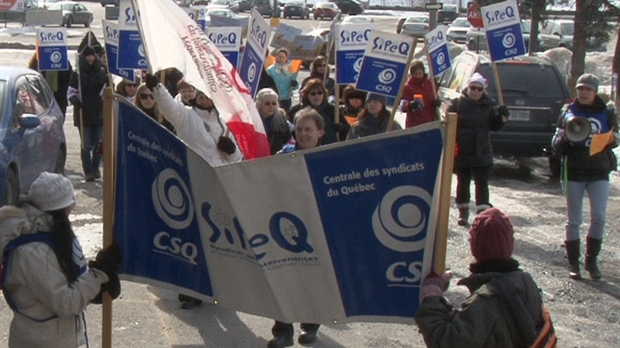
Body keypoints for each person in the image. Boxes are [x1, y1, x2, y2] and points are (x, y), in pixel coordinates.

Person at [0, 172, 122, 348]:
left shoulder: (50, 234)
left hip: (60, 338)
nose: (72, 208)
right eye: (69, 205)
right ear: (60, 208)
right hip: (40, 342)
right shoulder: (30, 253)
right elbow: (65, 302)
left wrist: (93, 291)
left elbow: (60, 284)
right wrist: (98, 274)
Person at [415, 208, 555, 348]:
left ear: (474, 247)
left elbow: (444, 341)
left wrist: (432, 297)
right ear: (510, 246)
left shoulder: (486, 301)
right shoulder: (527, 283)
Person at [552, 73, 619, 280]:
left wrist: (610, 140)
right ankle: (574, 263)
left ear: (595, 91)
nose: (583, 93)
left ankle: (592, 262)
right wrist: (564, 138)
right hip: (573, 171)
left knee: (598, 217)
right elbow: (555, 143)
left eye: (587, 89)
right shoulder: (568, 111)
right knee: (574, 220)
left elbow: (617, 137)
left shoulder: (606, 112)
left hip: (598, 170)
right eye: (580, 89)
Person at [269, 108, 325, 348]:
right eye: (300, 129)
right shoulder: (284, 155)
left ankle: (310, 325)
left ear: (320, 132)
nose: (303, 134)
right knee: (283, 279)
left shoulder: (329, 158)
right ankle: (282, 331)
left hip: (316, 229)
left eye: (308, 129)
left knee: (313, 280)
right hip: (286, 227)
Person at [447, 72, 508, 226]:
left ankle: (483, 216)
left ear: (483, 91)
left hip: (482, 150)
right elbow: (448, 123)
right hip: (462, 151)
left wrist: (502, 116)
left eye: (478, 89)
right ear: (467, 88)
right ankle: (463, 212)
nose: (475, 91)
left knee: (482, 183)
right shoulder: (457, 104)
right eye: (472, 87)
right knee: (463, 182)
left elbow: (495, 126)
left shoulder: (488, 106)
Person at [146, 73, 243, 166]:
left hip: (221, 176)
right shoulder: (186, 116)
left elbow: (236, 160)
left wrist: (232, 150)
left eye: (208, 98)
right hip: (195, 175)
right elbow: (170, 107)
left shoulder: (224, 121)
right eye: (201, 97)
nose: (205, 101)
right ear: (195, 98)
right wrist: (158, 89)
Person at [67, 45, 109, 182]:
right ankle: (88, 171)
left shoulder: (101, 72)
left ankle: (95, 166)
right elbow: (71, 92)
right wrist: (75, 100)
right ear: (83, 57)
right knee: (86, 144)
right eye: (87, 56)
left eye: (92, 55)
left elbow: (106, 89)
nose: (90, 58)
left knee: (99, 143)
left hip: (99, 113)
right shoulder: (77, 75)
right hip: (83, 114)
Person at [288, 78, 347, 145]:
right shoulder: (296, 110)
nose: (317, 96)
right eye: (313, 93)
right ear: (306, 94)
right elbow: (288, 132)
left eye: (320, 93)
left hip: (329, 148)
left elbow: (348, 130)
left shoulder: (332, 110)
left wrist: (341, 128)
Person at [27, 53, 74, 118]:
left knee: (59, 122)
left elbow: (70, 79)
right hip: (42, 99)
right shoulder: (39, 60)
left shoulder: (63, 62)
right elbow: (31, 78)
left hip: (60, 99)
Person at [400, 60, 440, 128]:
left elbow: (435, 97)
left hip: (430, 122)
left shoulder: (430, 84)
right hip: (414, 123)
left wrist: (437, 102)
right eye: (415, 74)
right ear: (412, 74)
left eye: (420, 73)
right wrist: (410, 105)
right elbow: (402, 106)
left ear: (423, 72)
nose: (418, 76)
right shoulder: (408, 87)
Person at [255, 88, 293, 155]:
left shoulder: (282, 122)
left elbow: (287, 141)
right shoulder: (252, 121)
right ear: (259, 104)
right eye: (267, 104)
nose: (271, 106)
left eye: (274, 103)